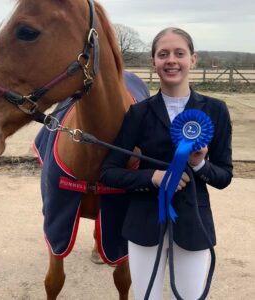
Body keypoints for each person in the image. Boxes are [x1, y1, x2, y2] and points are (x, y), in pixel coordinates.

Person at [100, 27, 233, 299]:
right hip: (144, 223)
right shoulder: (138, 113)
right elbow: (108, 172)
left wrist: (199, 165)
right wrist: (153, 178)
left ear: (193, 60)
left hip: (193, 223)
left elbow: (224, 176)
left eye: (179, 53)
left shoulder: (215, 110)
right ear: (154, 63)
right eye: (163, 54)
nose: (171, 60)